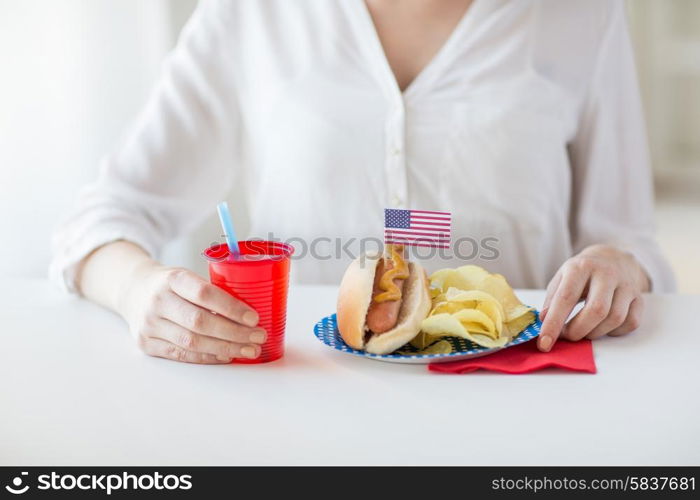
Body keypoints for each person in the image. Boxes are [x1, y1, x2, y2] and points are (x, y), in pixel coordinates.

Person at [50, 0, 675, 364]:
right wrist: (139, 290)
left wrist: (617, 268)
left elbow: (631, 245)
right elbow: (102, 220)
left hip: (517, 405)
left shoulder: (583, 14)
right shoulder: (252, 13)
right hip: (304, 405)